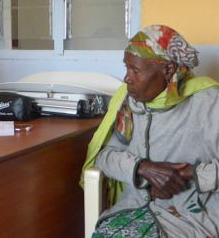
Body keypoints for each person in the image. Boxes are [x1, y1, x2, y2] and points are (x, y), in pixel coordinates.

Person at [80, 25, 219, 237]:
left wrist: (188, 174)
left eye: (135, 70)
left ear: (168, 70)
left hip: (191, 217)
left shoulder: (208, 102)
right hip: (134, 207)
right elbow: (106, 156)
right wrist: (142, 169)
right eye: (127, 68)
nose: (127, 78)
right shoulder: (128, 104)